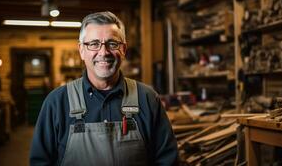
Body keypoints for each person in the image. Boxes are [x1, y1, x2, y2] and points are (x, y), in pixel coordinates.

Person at [30, 11, 178, 166]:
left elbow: (167, 160)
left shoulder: (147, 98)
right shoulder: (57, 102)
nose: (103, 52)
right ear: (81, 50)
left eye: (112, 44)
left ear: (124, 49)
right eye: (94, 44)